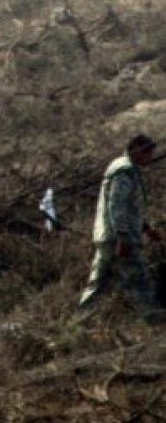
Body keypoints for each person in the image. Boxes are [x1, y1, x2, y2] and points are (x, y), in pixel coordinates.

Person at [78, 134, 163, 322]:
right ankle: (154, 319)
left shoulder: (126, 168)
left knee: (99, 284)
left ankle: (80, 320)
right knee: (138, 279)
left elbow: (128, 208)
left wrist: (146, 229)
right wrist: (123, 237)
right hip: (119, 238)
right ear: (137, 149)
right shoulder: (124, 170)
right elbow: (117, 205)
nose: (149, 157)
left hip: (109, 236)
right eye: (147, 153)